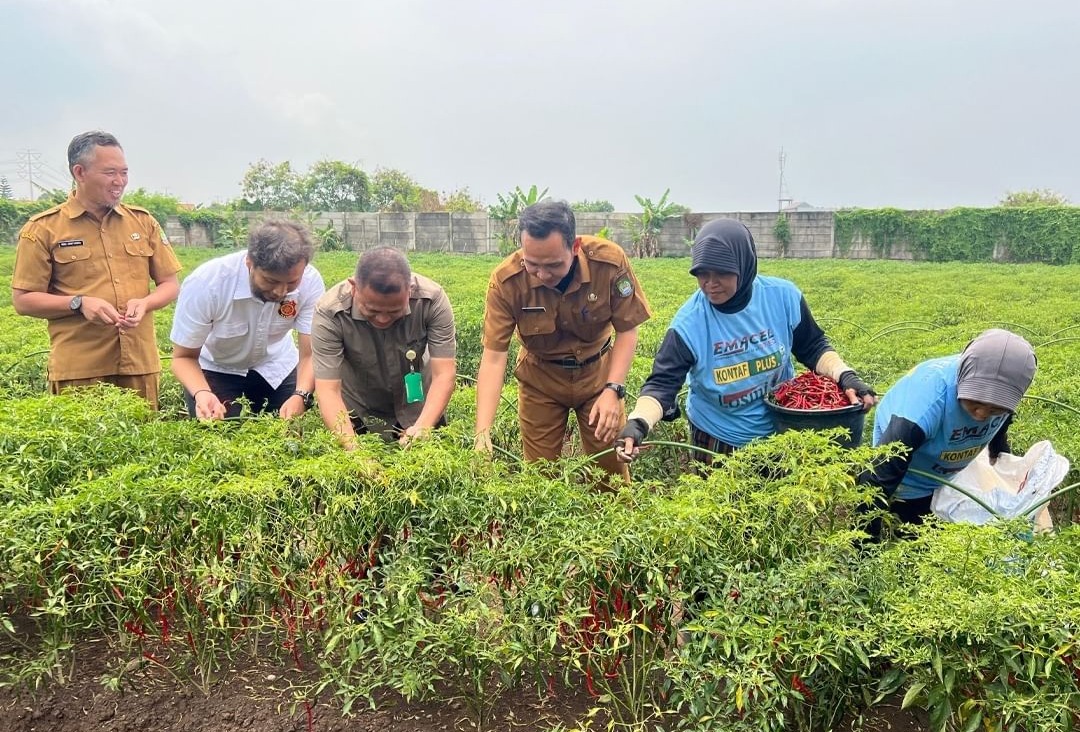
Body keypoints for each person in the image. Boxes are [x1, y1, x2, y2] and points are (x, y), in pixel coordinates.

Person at [617, 217, 875, 463]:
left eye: (721, 273)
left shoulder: (783, 297)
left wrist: (845, 376)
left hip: (782, 430)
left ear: (744, 264)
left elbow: (813, 347)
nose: (710, 284)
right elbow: (662, 385)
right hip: (717, 436)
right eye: (702, 273)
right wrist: (637, 423)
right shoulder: (689, 324)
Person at [474, 200, 652, 481]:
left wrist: (612, 390)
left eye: (554, 265)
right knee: (540, 479)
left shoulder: (609, 262)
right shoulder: (506, 281)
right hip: (540, 380)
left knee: (610, 476)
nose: (543, 275)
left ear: (575, 246)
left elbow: (627, 330)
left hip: (598, 377)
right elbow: (494, 357)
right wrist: (483, 432)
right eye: (532, 265)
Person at [11, 130, 181, 408]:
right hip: (80, 369)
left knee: (144, 447)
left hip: (139, 364)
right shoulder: (43, 229)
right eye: (110, 173)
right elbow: (23, 300)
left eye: (124, 172)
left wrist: (146, 302)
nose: (120, 182)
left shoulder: (143, 222)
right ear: (80, 172)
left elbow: (170, 284)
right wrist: (78, 303)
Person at [859, 328, 1037, 530]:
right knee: (919, 547)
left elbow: (1002, 423)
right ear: (963, 377)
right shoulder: (921, 408)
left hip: (951, 473)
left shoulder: (1004, 403)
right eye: (975, 401)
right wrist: (865, 550)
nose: (981, 415)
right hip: (910, 482)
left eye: (996, 408)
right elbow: (875, 481)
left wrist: (1000, 455)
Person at [169, 219, 325, 420]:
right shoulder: (207, 284)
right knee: (218, 435)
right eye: (270, 281)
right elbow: (183, 357)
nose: (281, 291)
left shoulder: (311, 282)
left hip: (276, 364)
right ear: (250, 262)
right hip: (217, 367)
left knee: (289, 435)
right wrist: (202, 393)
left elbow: (310, 354)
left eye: (292, 282)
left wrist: (300, 394)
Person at [311, 247, 456, 448]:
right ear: (354, 288)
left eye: (394, 310)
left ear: (410, 289)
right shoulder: (330, 312)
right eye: (372, 310)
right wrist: (354, 451)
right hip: (359, 415)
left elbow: (444, 374)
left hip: (419, 410)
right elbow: (328, 390)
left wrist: (422, 428)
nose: (383, 318)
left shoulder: (431, 300)